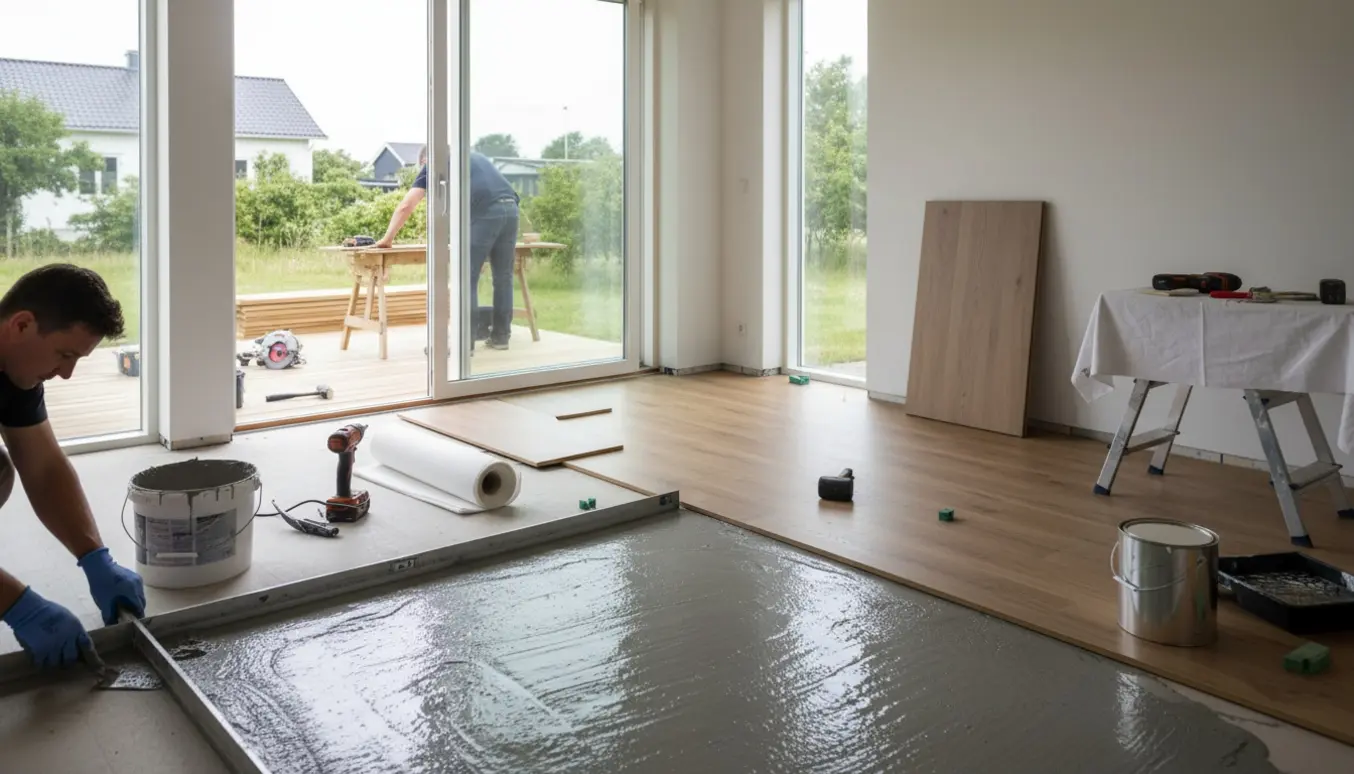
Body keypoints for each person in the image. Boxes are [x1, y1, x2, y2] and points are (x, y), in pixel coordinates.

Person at [0, 264, 147, 668]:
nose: (65, 374)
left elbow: (44, 467)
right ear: (22, 325)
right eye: (64, 355)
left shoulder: (15, 372)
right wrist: (16, 604)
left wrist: (95, 557)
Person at [375, 147, 521, 350]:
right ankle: (501, 337)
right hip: (511, 209)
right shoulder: (474, 158)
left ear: (425, 160)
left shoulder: (435, 163)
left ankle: (464, 343)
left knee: (465, 280)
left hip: (486, 211)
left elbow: (406, 205)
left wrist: (387, 238)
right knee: (503, 278)